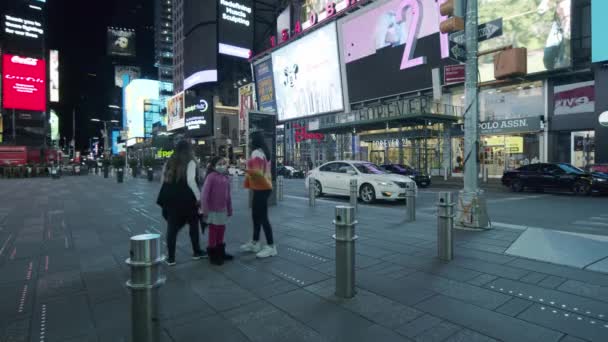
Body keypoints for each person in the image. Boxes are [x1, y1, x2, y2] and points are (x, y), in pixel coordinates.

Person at [157, 140, 205, 266]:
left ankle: (171, 258)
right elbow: (191, 181)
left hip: (171, 199)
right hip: (187, 199)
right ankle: (196, 252)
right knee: (193, 225)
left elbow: (163, 179)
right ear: (189, 149)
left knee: (172, 229)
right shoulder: (191, 161)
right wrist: (199, 197)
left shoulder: (170, 161)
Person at [241, 132, 277, 258]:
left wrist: (245, 169)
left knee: (261, 217)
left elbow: (257, 173)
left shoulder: (256, 153)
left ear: (254, 140)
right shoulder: (263, 152)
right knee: (257, 215)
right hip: (264, 187)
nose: (249, 141)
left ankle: (271, 246)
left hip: (261, 187)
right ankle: (255, 242)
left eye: (250, 139)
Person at [200, 156, 233, 265]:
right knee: (213, 230)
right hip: (212, 210)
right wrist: (205, 210)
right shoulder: (211, 177)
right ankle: (213, 253)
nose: (222, 165)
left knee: (221, 229)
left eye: (224, 163)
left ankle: (220, 251)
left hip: (222, 209)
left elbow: (228, 196)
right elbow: (204, 194)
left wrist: (229, 208)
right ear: (213, 166)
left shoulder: (226, 177)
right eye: (219, 164)